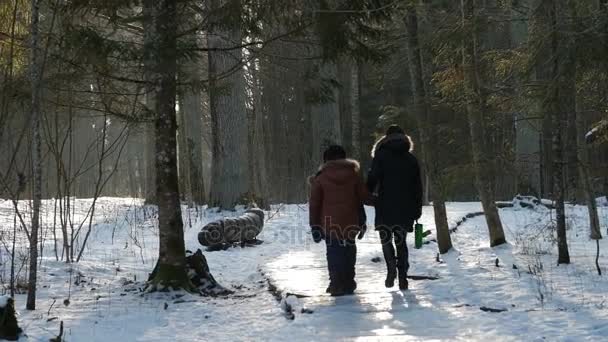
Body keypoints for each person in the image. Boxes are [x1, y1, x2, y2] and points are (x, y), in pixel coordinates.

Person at [367, 125, 423, 290]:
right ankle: (403, 277)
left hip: (385, 205)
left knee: (386, 240)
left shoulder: (381, 156)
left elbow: (372, 179)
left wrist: (367, 194)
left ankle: (391, 269)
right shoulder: (411, 159)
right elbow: (417, 188)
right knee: (401, 242)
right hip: (405, 207)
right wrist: (417, 209)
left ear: (386, 138)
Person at [309, 145, 368, 296]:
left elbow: (315, 205)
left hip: (329, 223)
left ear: (326, 160)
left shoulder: (320, 178)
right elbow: (363, 198)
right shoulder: (353, 175)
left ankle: (336, 283)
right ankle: (349, 282)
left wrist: (314, 226)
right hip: (350, 220)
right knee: (349, 250)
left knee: (334, 251)